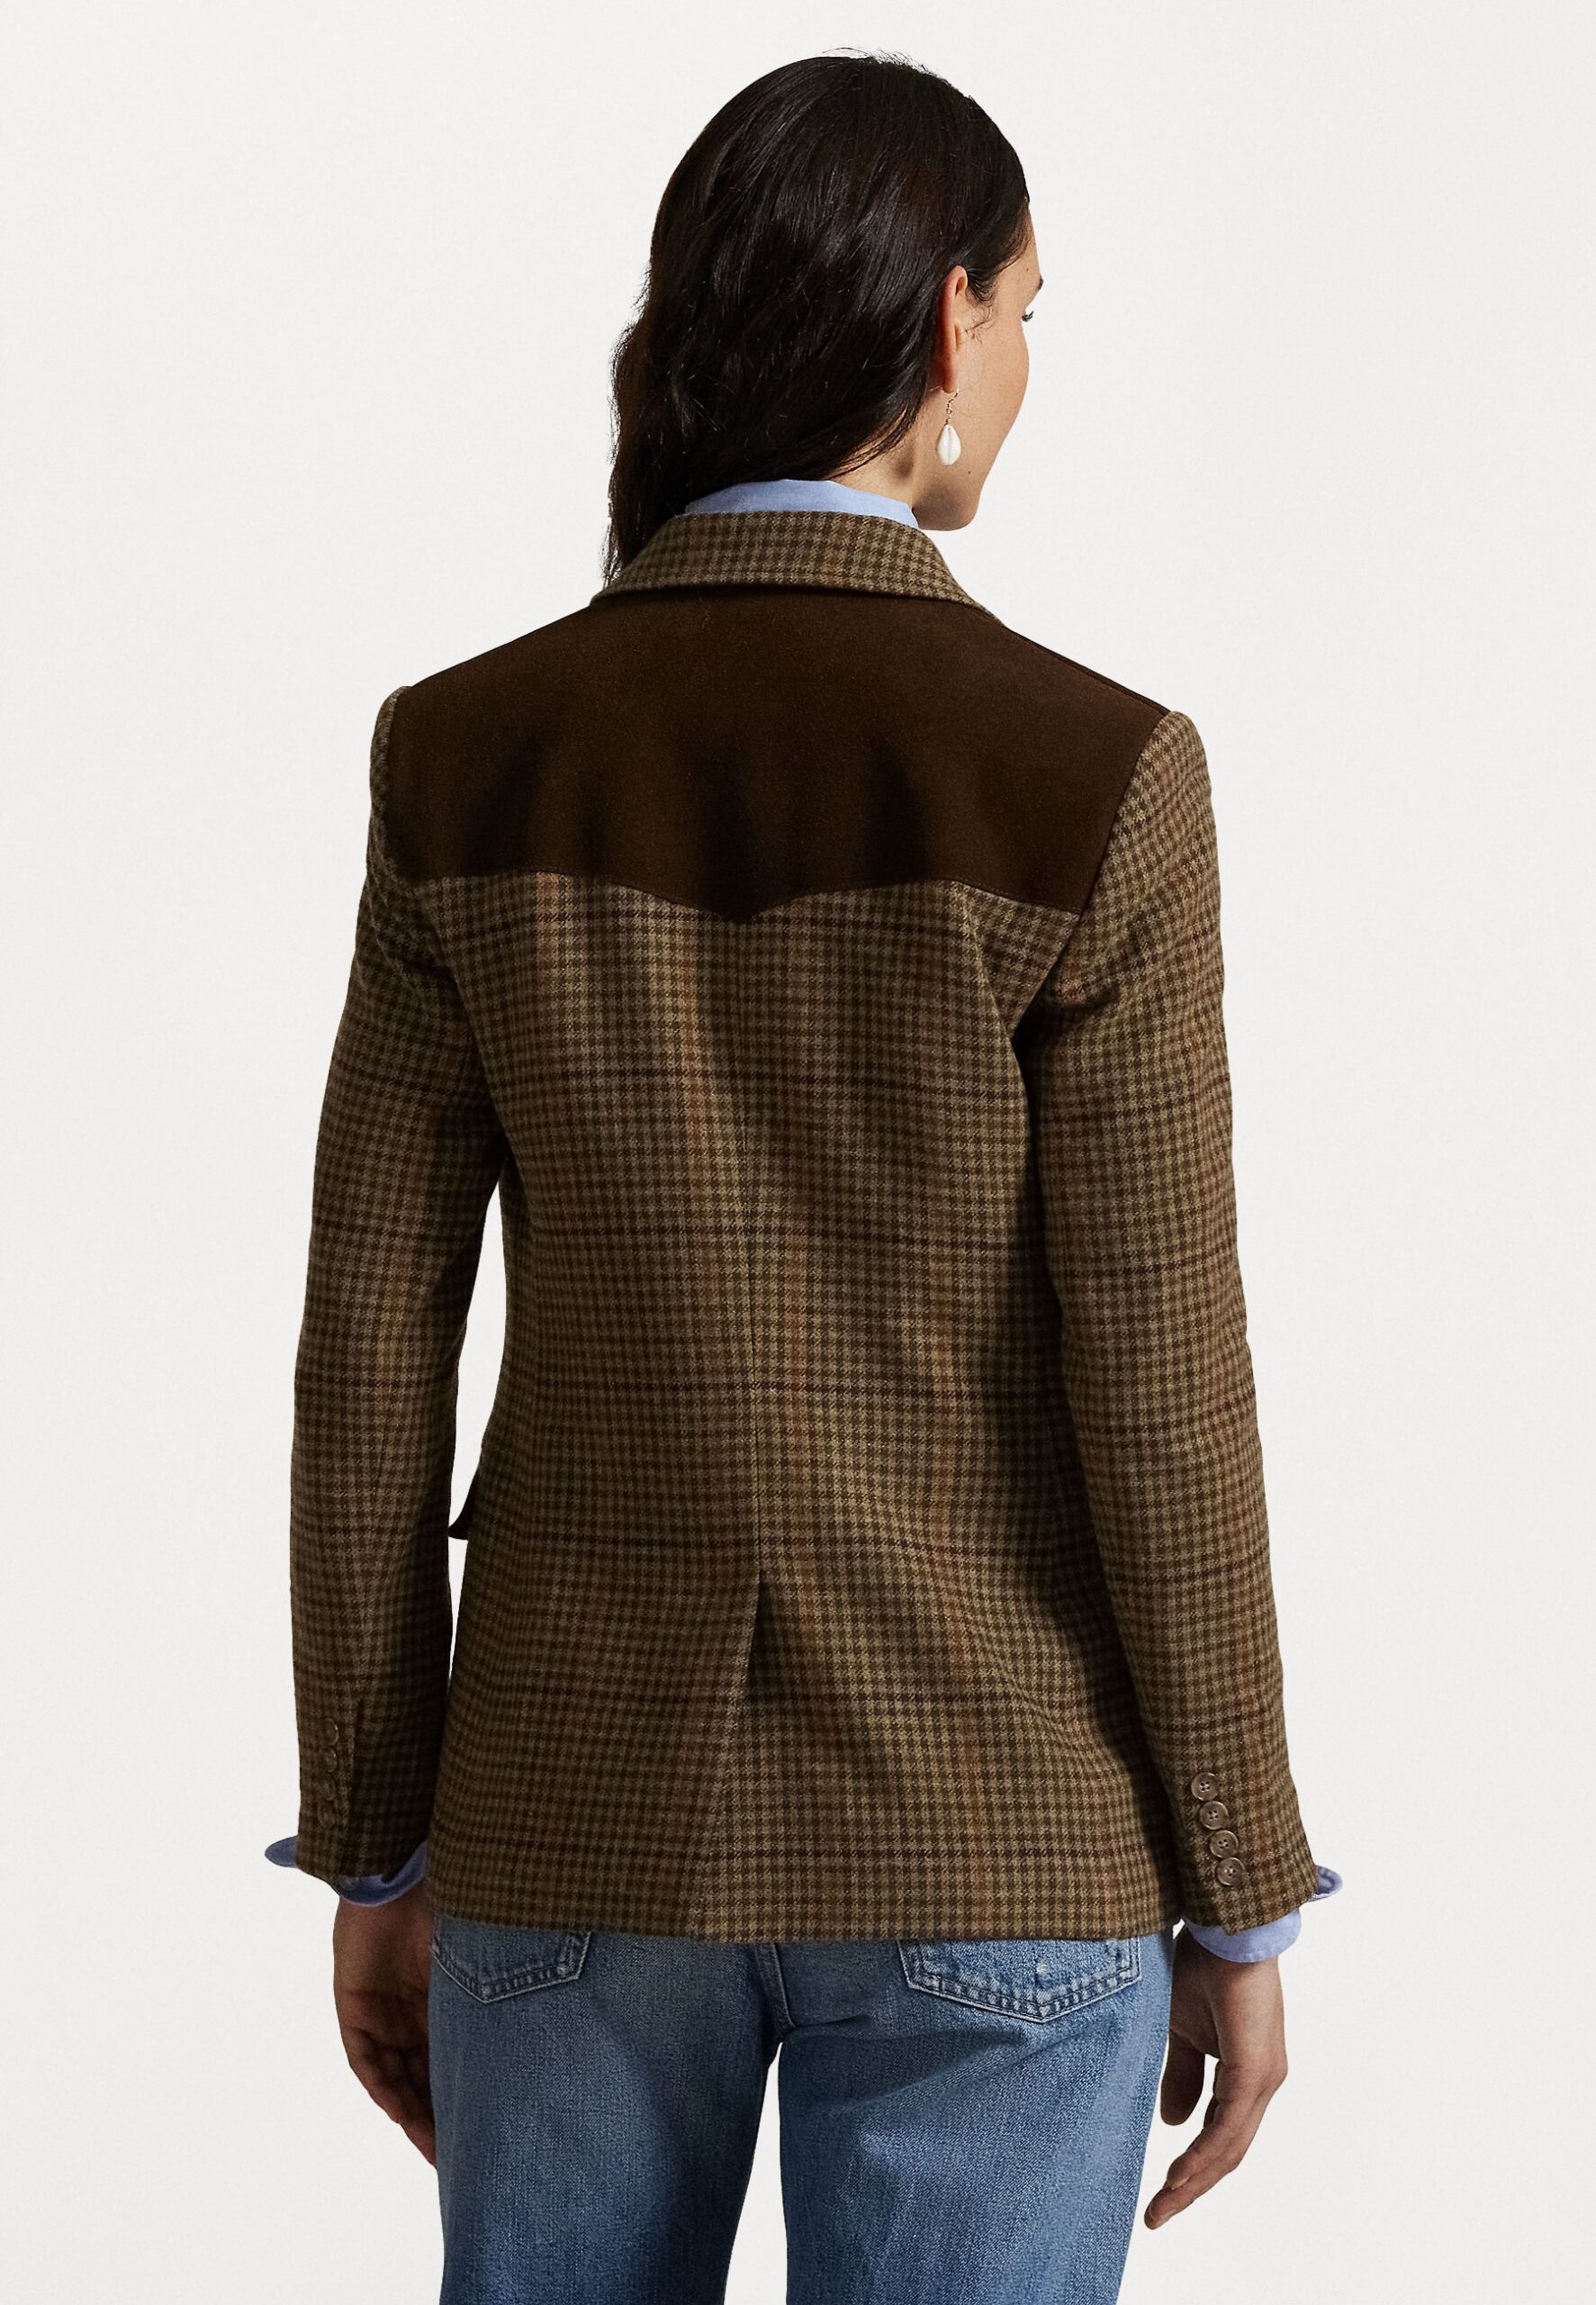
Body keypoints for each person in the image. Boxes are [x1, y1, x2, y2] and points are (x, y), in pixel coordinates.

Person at [268, 50, 1340, 2305]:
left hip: (567, 1818)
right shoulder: (1096, 772)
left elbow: (370, 1347)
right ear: (944, 320)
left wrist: (372, 1836)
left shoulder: (460, 753)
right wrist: (1241, 1889)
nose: (1021, 366)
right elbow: (1160, 1389)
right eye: (1027, 313)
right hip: (998, 1822)